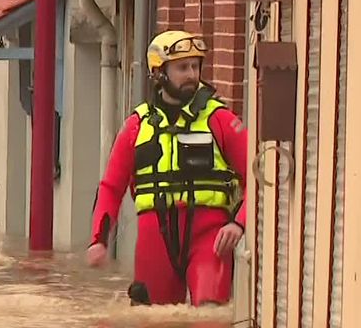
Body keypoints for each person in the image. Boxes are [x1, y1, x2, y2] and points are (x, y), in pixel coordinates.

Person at [86, 30, 249, 306]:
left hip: (209, 238)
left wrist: (238, 223)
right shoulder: (136, 127)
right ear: (159, 73)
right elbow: (111, 188)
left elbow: (260, 179)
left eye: (195, 66)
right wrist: (98, 240)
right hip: (155, 241)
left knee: (208, 321)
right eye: (182, 67)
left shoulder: (221, 120)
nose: (191, 74)